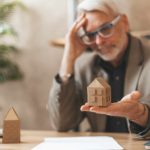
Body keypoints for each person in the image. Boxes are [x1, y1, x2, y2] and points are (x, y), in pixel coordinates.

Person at [48, 0, 150, 138]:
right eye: (90, 35)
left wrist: (140, 114)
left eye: (105, 29)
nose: (98, 42)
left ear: (124, 23)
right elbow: (62, 123)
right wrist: (68, 59)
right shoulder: (84, 66)